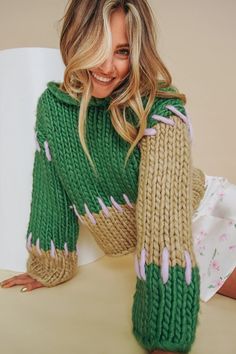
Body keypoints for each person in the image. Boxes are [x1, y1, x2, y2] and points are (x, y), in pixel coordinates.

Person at [1, 1, 236, 353]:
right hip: (175, 232)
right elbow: (50, 188)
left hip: (199, 220)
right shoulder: (53, 108)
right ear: (74, 40)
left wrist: (163, 333)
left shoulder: (161, 109)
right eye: (95, 45)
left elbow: (164, 220)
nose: (107, 66)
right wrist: (49, 264)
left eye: (122, 51)